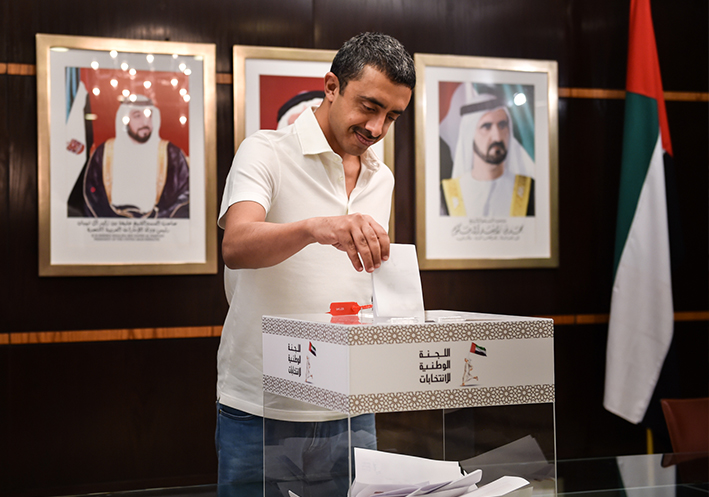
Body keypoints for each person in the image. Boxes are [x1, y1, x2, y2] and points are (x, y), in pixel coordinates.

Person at [216, 32, 415, 491]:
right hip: (260, 405)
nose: (377, 128)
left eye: (392, 116)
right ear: (331, 87)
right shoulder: (264, 151)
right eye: (369, 107)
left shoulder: (381, 177)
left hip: (352, 403)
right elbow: (236, 245)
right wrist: (314, 228)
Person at [82, 95, 190, 218]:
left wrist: (157, 219)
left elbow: (184, 196)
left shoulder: (171, 154)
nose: (145, 122)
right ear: (125, 120)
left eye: (149, 116)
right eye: (137, 116)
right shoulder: (105, 153)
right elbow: (92, 196)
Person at [441, 90, 535, 218]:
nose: (497, 137)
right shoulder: (446, 194)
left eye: (502, 125)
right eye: (486, 126)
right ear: (469, 135)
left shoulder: (530, 190)